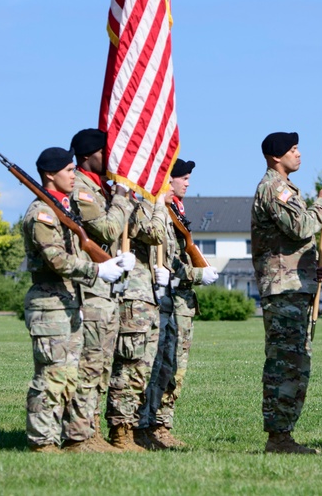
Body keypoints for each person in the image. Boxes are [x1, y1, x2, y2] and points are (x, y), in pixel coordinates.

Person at [21, 147, 126, 452]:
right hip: (49, 305)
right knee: (51, 376)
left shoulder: (63, 210)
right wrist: (96, 269)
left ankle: (69, 439)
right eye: (68, 170)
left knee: (69, 376)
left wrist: (112, 263)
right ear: (49, 175)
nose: (73, 175)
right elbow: (55, 260)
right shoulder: (41, 213)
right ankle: (42, 442)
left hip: (68, 301)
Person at [251, 133, 322, 454]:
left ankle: (284, 434)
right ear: (275, 157)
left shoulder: (285, 188)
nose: (299, 154)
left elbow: (292, 241)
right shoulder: (274, 188)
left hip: (295, 285)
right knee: (284, 362)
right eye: (292, 150)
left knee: (297, 361)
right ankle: (278, 436)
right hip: (283, 290)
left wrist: (311, 267)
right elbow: (300, 227)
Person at [138, 159, 218, 450]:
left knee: (175, 369)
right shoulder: (160, 213)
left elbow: (179, 259)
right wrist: (198, 273)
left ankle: (162, 424)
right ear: (166, 181)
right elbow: (169, 264)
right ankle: (147, 425)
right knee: (159, 367)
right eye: (182, 177)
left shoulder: (177, 213)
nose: (187, 182)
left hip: (181, 303)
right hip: (165, 302)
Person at [66, 128, 133, 451]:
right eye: (105, 152)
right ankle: (80, 434)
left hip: (104, 289)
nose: (111, 159)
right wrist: (121, 198)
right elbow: (106, 227)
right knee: (89, 363)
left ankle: (91, 430)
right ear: (88, 156)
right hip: (88, 289)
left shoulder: (97, 188)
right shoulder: (82, 189)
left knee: (102, 364)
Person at [104, 190, 168, 452]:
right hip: (132, 296)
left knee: (142, 369)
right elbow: (156, 233)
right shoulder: (127, 203)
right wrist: (160, 205)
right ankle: (121, 431)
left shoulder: (139, 203)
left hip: (145, 295)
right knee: (129, 367)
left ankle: (132, 429)